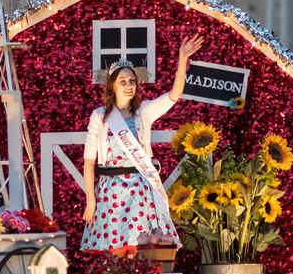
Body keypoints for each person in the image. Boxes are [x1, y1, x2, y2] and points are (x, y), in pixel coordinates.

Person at [81, 32, 204, 253]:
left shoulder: (144, 111)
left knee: (141, 247)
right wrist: (91, 200)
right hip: (111, 190)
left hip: (139, 187)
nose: (129, 86)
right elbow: (89, 162)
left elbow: (174, 94)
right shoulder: (99, 116)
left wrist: (182, 59)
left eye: (132, 81)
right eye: (122, 81)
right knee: (115, 251)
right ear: (112, 86)